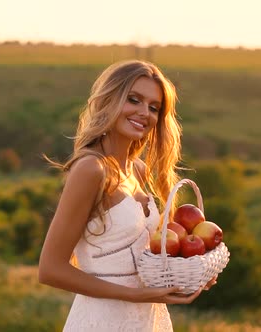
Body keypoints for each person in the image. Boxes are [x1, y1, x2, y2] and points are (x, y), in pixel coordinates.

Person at [38, 60, 216, 331]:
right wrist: (136, 295)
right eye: (134, 100)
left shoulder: (138, 171)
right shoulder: (91, 169)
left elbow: (146, 257)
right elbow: (50, 269)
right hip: (103, 320)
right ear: (109, 100)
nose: (144, 112)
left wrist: (192, 270)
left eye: (154, 107)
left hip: (148, 319)